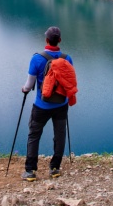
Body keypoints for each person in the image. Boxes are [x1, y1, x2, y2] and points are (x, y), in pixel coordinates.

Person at [21, 26, 75, 181]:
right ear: (59, 40)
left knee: (34, 135)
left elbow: (29, 85)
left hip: (41, 106)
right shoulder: (67, 58)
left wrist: (24, 89)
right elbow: (69, 82)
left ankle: (30, 171)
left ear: (46, 40)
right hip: (61, 105)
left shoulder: (37, 58)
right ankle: (55, 168)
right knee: (60, 135)